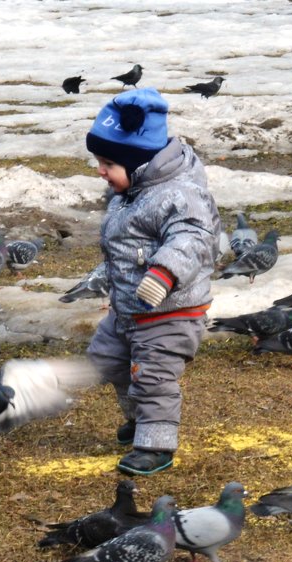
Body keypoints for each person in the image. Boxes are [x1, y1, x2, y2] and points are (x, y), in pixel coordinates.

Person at [82, 87, 220, 476]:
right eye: (98, 161)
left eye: (108, 163)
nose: (100, 171)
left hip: (170, 311)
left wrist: (164, 272)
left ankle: (155, 445)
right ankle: (140, 418)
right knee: (108, 360)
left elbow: (193, 238)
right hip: (129, 308)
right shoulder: (132, 193)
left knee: (153, 377)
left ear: (139, 162)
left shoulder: (178, 195)